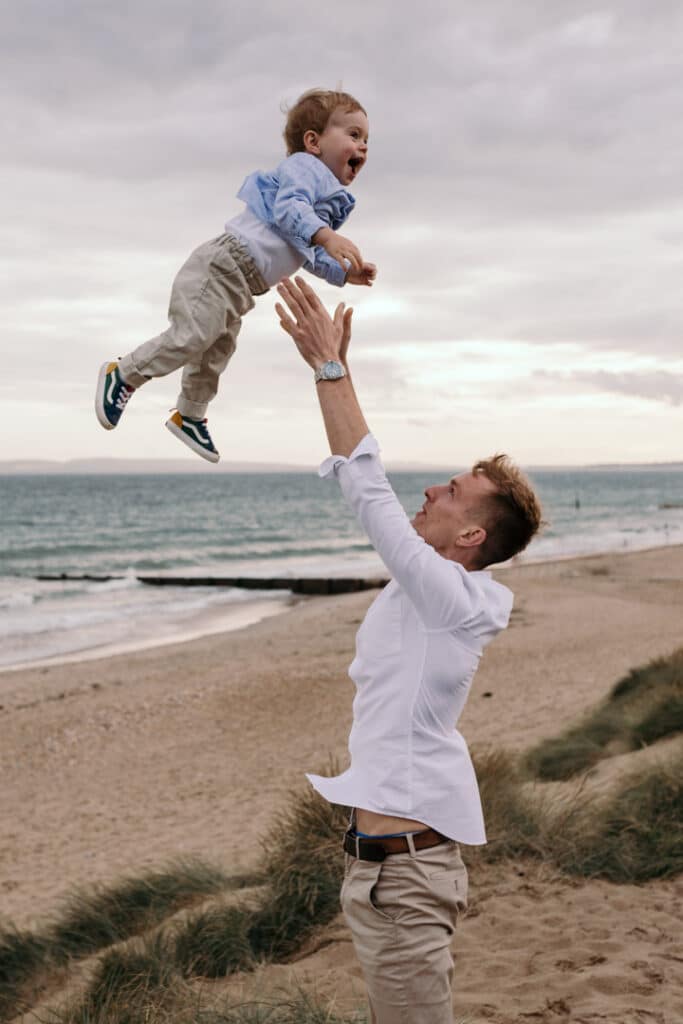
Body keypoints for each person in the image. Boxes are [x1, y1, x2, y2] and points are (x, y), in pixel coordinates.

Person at [274, 276, 543, 1024]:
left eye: (452, 491)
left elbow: (366, 490)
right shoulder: (432, 596)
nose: (430, 490)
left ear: (470, 538)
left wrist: (329, 369)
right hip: (384, 872)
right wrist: (337, 374)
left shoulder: (449, 599)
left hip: (406, 876)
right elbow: (367, 485)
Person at [94, 89, 375, 463]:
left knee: (216, 352)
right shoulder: (303, 170)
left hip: (241, 286)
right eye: (353, 135)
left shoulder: (317, 201)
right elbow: (292, 212)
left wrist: (341, 274)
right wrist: (327, 235)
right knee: (191, 336)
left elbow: (302, 250)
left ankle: (190, 414)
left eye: (367, 140)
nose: (363, 146)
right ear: (314, 141)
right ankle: (124, 373)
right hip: (223, 266)